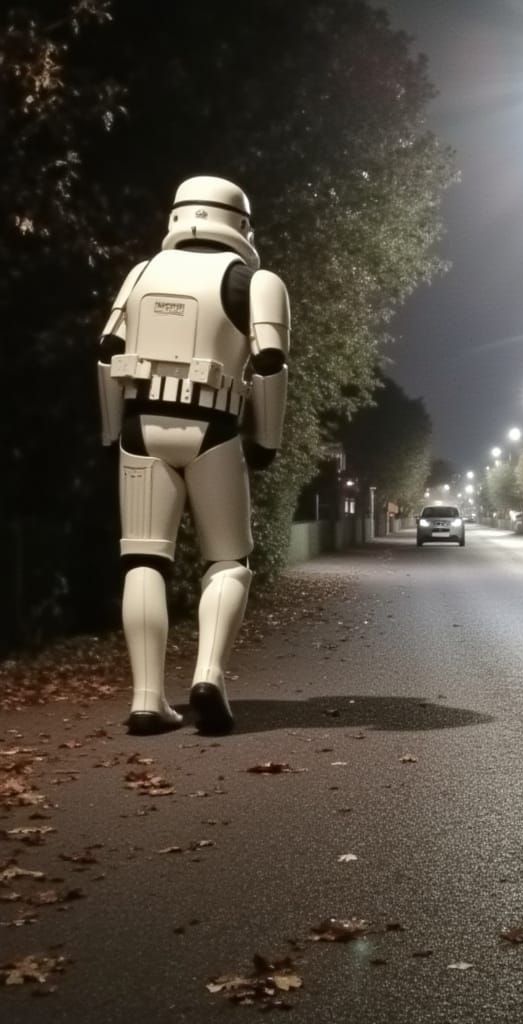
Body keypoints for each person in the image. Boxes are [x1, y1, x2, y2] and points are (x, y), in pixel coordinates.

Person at [96, 176, 289, 736]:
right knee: (228, 561)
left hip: (140, 429)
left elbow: (107, 354)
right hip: (215, 430)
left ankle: (147, 699)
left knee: (144, 561)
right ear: (241, 223)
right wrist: (266, 441)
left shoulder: (141, 275)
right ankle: (208, 675)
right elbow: (272, 363)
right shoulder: (256, 281)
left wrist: (113, 431)